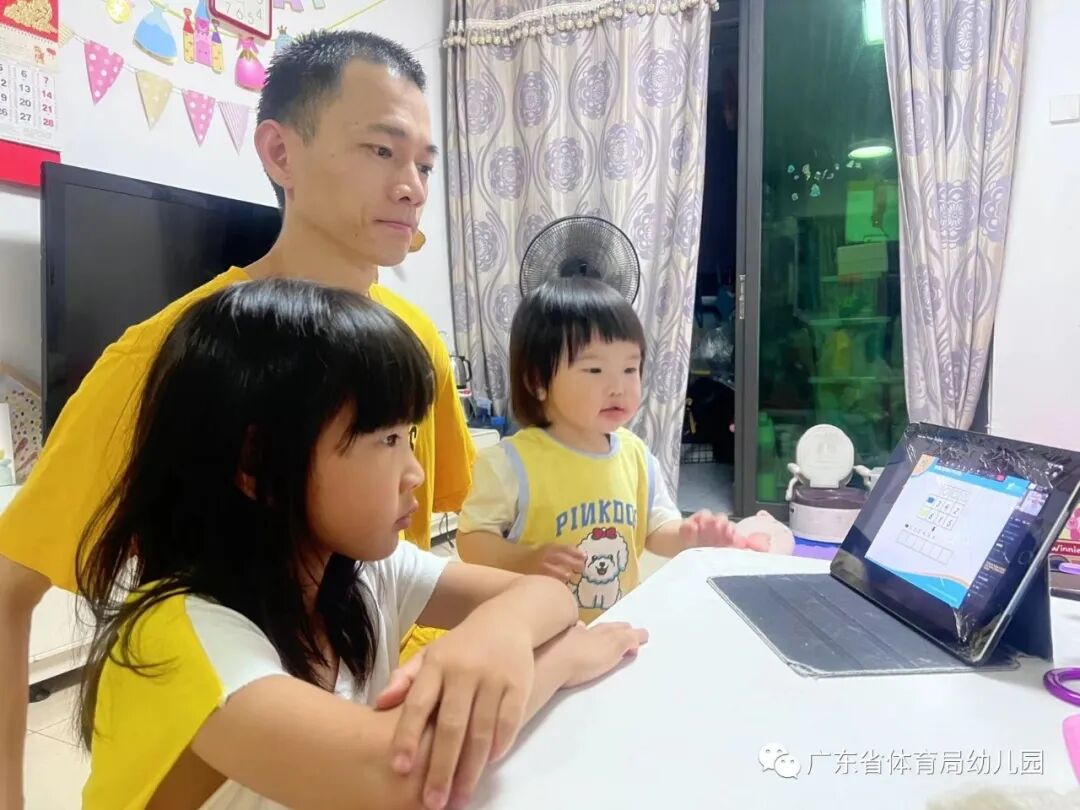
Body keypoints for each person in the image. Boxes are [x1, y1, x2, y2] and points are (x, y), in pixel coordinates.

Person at [0, 31, 470, 804]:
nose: (412, 187)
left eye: (424, 164)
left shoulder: (415, 344)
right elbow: (10, 588)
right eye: (382, 151)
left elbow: (425, 557)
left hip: (389, 740)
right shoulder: (162, 359)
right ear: (281, 154)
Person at [75, 279, 647, 810]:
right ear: (260, 462)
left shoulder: (360, 569)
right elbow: (403, 776)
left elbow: (552, 598)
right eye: (388, 439)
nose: (415, 473)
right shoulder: (174, 634)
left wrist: (501, 632)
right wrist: (561, 660)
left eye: (410, 436)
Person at [456, 278, 773, 622]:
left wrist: (688, 535)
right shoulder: (510, 463)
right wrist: (525, 560)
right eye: (595, 369)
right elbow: (471, 540)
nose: (618, 387)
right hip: (536, 633)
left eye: (630, 368)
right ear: (537, 381)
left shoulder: (635, 455)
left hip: (614, 629)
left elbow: (655, 529)